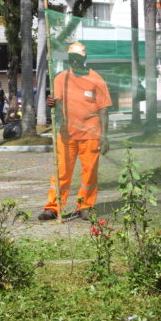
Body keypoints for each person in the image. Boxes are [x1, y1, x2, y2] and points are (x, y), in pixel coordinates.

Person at [38, 42, 112, 221]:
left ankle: (86, 206)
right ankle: (53, 207)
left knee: (89, 172)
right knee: (61, 172)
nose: (75, 62)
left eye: (78, 58)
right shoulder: (60, 78)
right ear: (69, 59)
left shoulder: (96, 79)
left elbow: (104, 110)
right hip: (67, 134)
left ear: (84, 58)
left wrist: (104, 136)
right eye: (72, 59)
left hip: (91, 134)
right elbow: (56, 103)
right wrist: (51, 103)